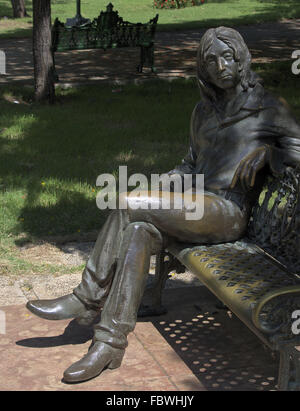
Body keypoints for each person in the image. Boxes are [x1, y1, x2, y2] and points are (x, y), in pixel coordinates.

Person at [26, 26, 300, 383]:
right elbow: (189, 166)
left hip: (227, 212)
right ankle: (109, 343)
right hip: (195, 204)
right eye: (211, 60)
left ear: (242, 57)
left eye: (227, 56)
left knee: (128, 203)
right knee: (139, 229)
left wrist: (269, 153)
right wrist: (157, 188)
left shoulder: (269, 108)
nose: (220, 66)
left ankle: (87, 297)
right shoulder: (203, 112)